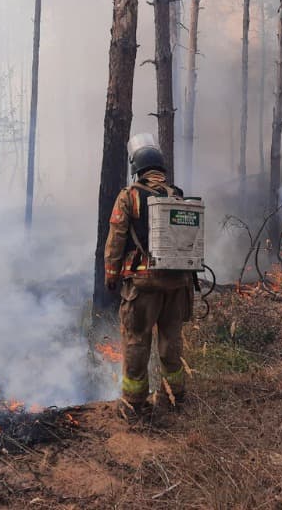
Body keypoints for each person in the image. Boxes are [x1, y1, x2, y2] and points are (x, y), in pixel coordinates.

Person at [104, 134, 194, 419]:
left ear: (137, 168)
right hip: (178, 284)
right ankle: (174, 398)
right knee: (171, 342)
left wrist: (111, 274)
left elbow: (116, 238)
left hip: (143, 285)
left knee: (137, 341)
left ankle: (133, 403)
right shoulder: (177, 195)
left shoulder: (129, 196)